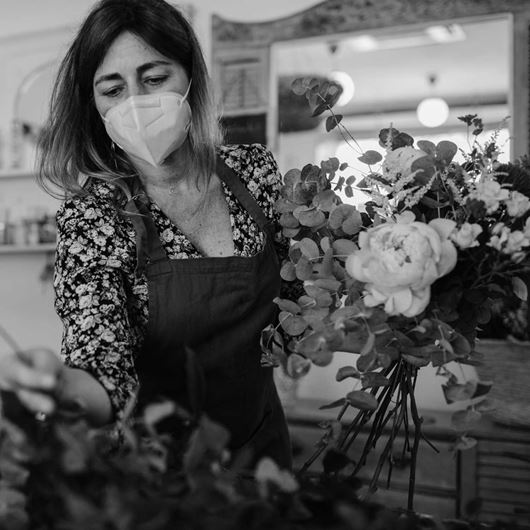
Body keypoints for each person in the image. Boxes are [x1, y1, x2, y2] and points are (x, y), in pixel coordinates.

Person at [0, 0, 292, 470]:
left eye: (154, 79)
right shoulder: (94, 216)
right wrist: (61, 385)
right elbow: (103, 362)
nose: (135, 103)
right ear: (93, 106)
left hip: (260, 450)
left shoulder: (253, 171)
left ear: (190, 77)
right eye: (112, 89)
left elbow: (298, 301)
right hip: (156, 473)